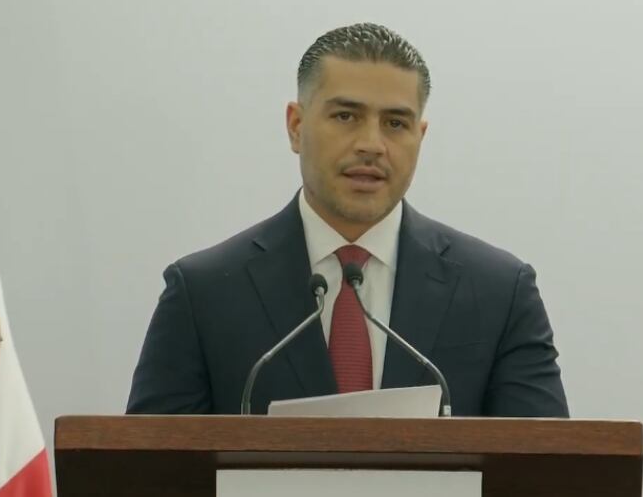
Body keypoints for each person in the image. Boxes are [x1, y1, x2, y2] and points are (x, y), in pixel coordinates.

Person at [126, 23, 568, 417]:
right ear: (296, 126)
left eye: (395, 123)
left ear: (421, 136)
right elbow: (149, 474)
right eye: (345, 116)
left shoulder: (498, 290)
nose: (372, 144)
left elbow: (545, 473)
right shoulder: (204, 293)